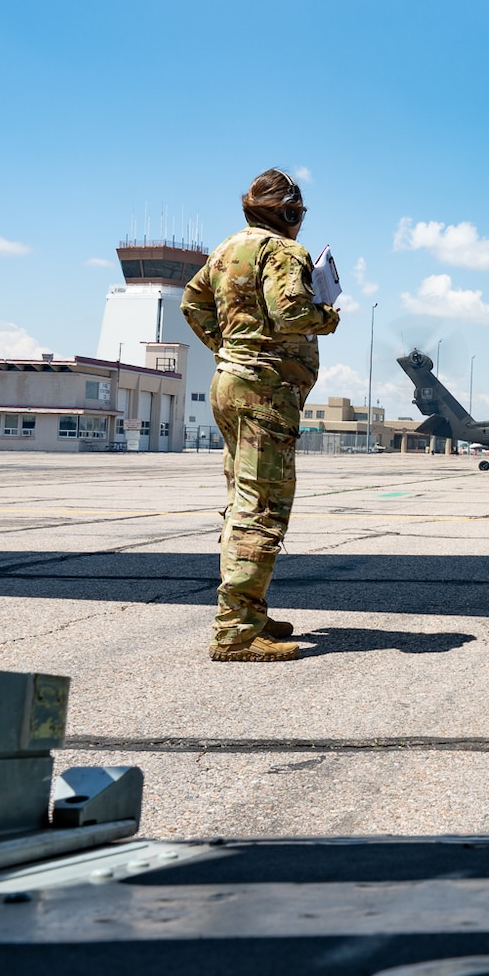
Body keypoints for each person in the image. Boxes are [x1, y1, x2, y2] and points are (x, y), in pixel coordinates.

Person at [181, 169, 341, 662]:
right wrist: (328, 316)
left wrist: (229, 349)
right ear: (290, 214)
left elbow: (192, 303)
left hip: (231, 385)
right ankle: (237, 632)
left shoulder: (226, 250)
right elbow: (290, 312)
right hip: (265, 392)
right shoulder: (284, 252)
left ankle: (248, 611)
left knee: (242, 500)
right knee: (262, 507)